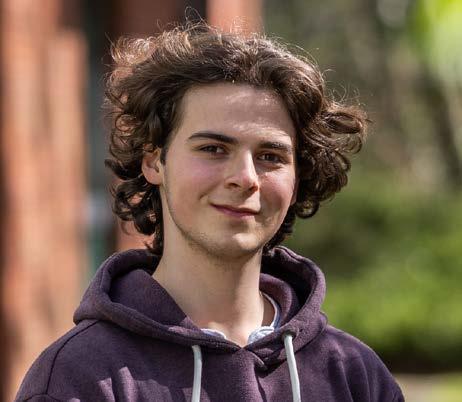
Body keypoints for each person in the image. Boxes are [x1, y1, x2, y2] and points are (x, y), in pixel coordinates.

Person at [16, 22, 404, 402]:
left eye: (270, 156)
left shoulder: (355, 376)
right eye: (213, 149)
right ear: (154, 162)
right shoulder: (78, 380)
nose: (245, 178)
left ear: (297, 179)